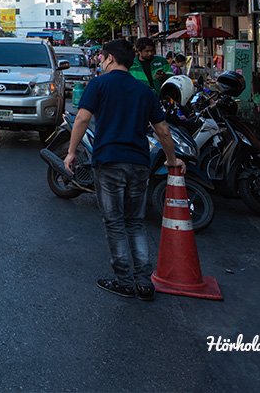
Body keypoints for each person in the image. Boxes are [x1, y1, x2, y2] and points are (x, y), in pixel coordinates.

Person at [65, 38, 183, 301]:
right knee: (135, 222)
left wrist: (72, 152)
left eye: (102, 58)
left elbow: (82, 118)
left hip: (109, 161)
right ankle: (143, 281)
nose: (101, 62)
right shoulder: (144, 91)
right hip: (139, 162)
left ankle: (124, 281)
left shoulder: (99, 84)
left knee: (114, 222)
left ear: (109, 59)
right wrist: (172, 159)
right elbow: (162, 130)